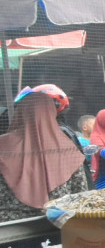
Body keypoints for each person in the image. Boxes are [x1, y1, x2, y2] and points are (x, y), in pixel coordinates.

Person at [0, 87, 88, 222]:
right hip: (57, 224)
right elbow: (80, 194)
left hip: (9, 226)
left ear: (21, 112)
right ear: (52, 113)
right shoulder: (68, 149)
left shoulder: (4, 145)